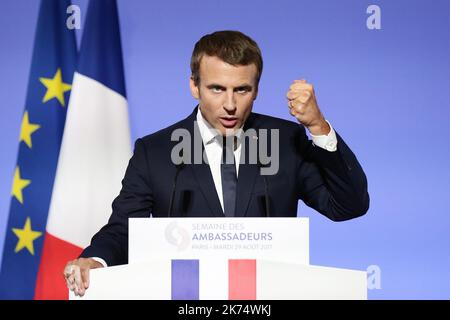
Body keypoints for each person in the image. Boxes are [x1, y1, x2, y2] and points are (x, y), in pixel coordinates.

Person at [64, 30, 369, 297]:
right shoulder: (155, 152)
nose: (230, 105)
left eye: (242, 90)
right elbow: (124, 229)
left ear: (256, 90)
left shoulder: (285, 141)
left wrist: (317, 126)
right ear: (194, 87)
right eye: (216, 89)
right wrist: (95, 261)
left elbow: (348, 206)